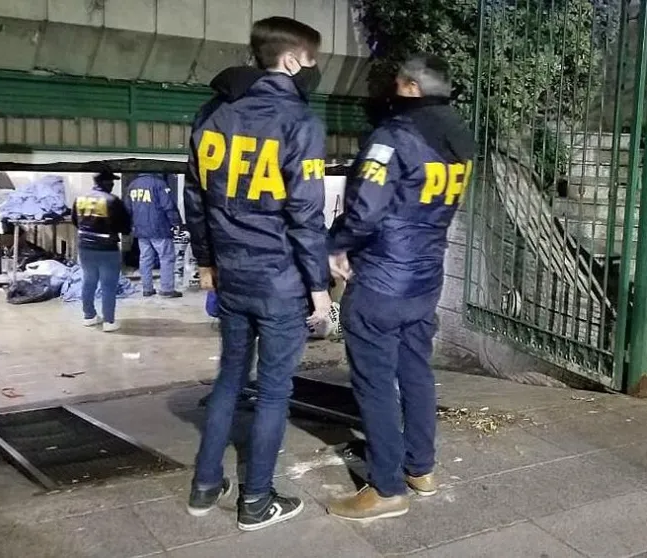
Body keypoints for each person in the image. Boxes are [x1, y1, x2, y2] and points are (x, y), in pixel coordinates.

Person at [183, 16, 331, 531]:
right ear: (292, 60)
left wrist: (206, 262)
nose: (314, 71)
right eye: (312, 61)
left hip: (231, 275)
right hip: (281, 279)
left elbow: (196, 198)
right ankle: (256, 501)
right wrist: (319, 287)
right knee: (273, 391)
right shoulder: (301, 123)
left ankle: (205, 487)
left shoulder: (212, 114)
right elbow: (306, 214)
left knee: (229, 378)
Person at [326, 53, 475, 521]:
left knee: (374, 384)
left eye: (396, 84)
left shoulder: (393, 137)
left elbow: (366, 210)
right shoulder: (460, 138)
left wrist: (335, 244)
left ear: (410, 87)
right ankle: (421, 468)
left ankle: (387, 488)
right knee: (416, 372)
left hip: (382, 281)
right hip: (426, 278)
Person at [71, 169, 132, 333]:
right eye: (111, 182)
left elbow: (75, 221)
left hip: (85, 246)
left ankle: (89, 316)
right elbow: (125, 227)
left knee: (88, 281)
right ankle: (109, 321)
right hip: (107, 248)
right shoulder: (112, 201)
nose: (112, 185)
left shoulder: (80, 199)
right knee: (108, 285)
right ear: (106, 183)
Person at [123, 173, 184, 298]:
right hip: (159, 228)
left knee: (145, 259)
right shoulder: (159, 183)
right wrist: (176, 223)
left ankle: (147, 288)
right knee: (166, 257)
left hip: (140, 229)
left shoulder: (132, 185)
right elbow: (168, 206)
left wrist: (129, 226)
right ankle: (167, 289)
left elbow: (127, 208)